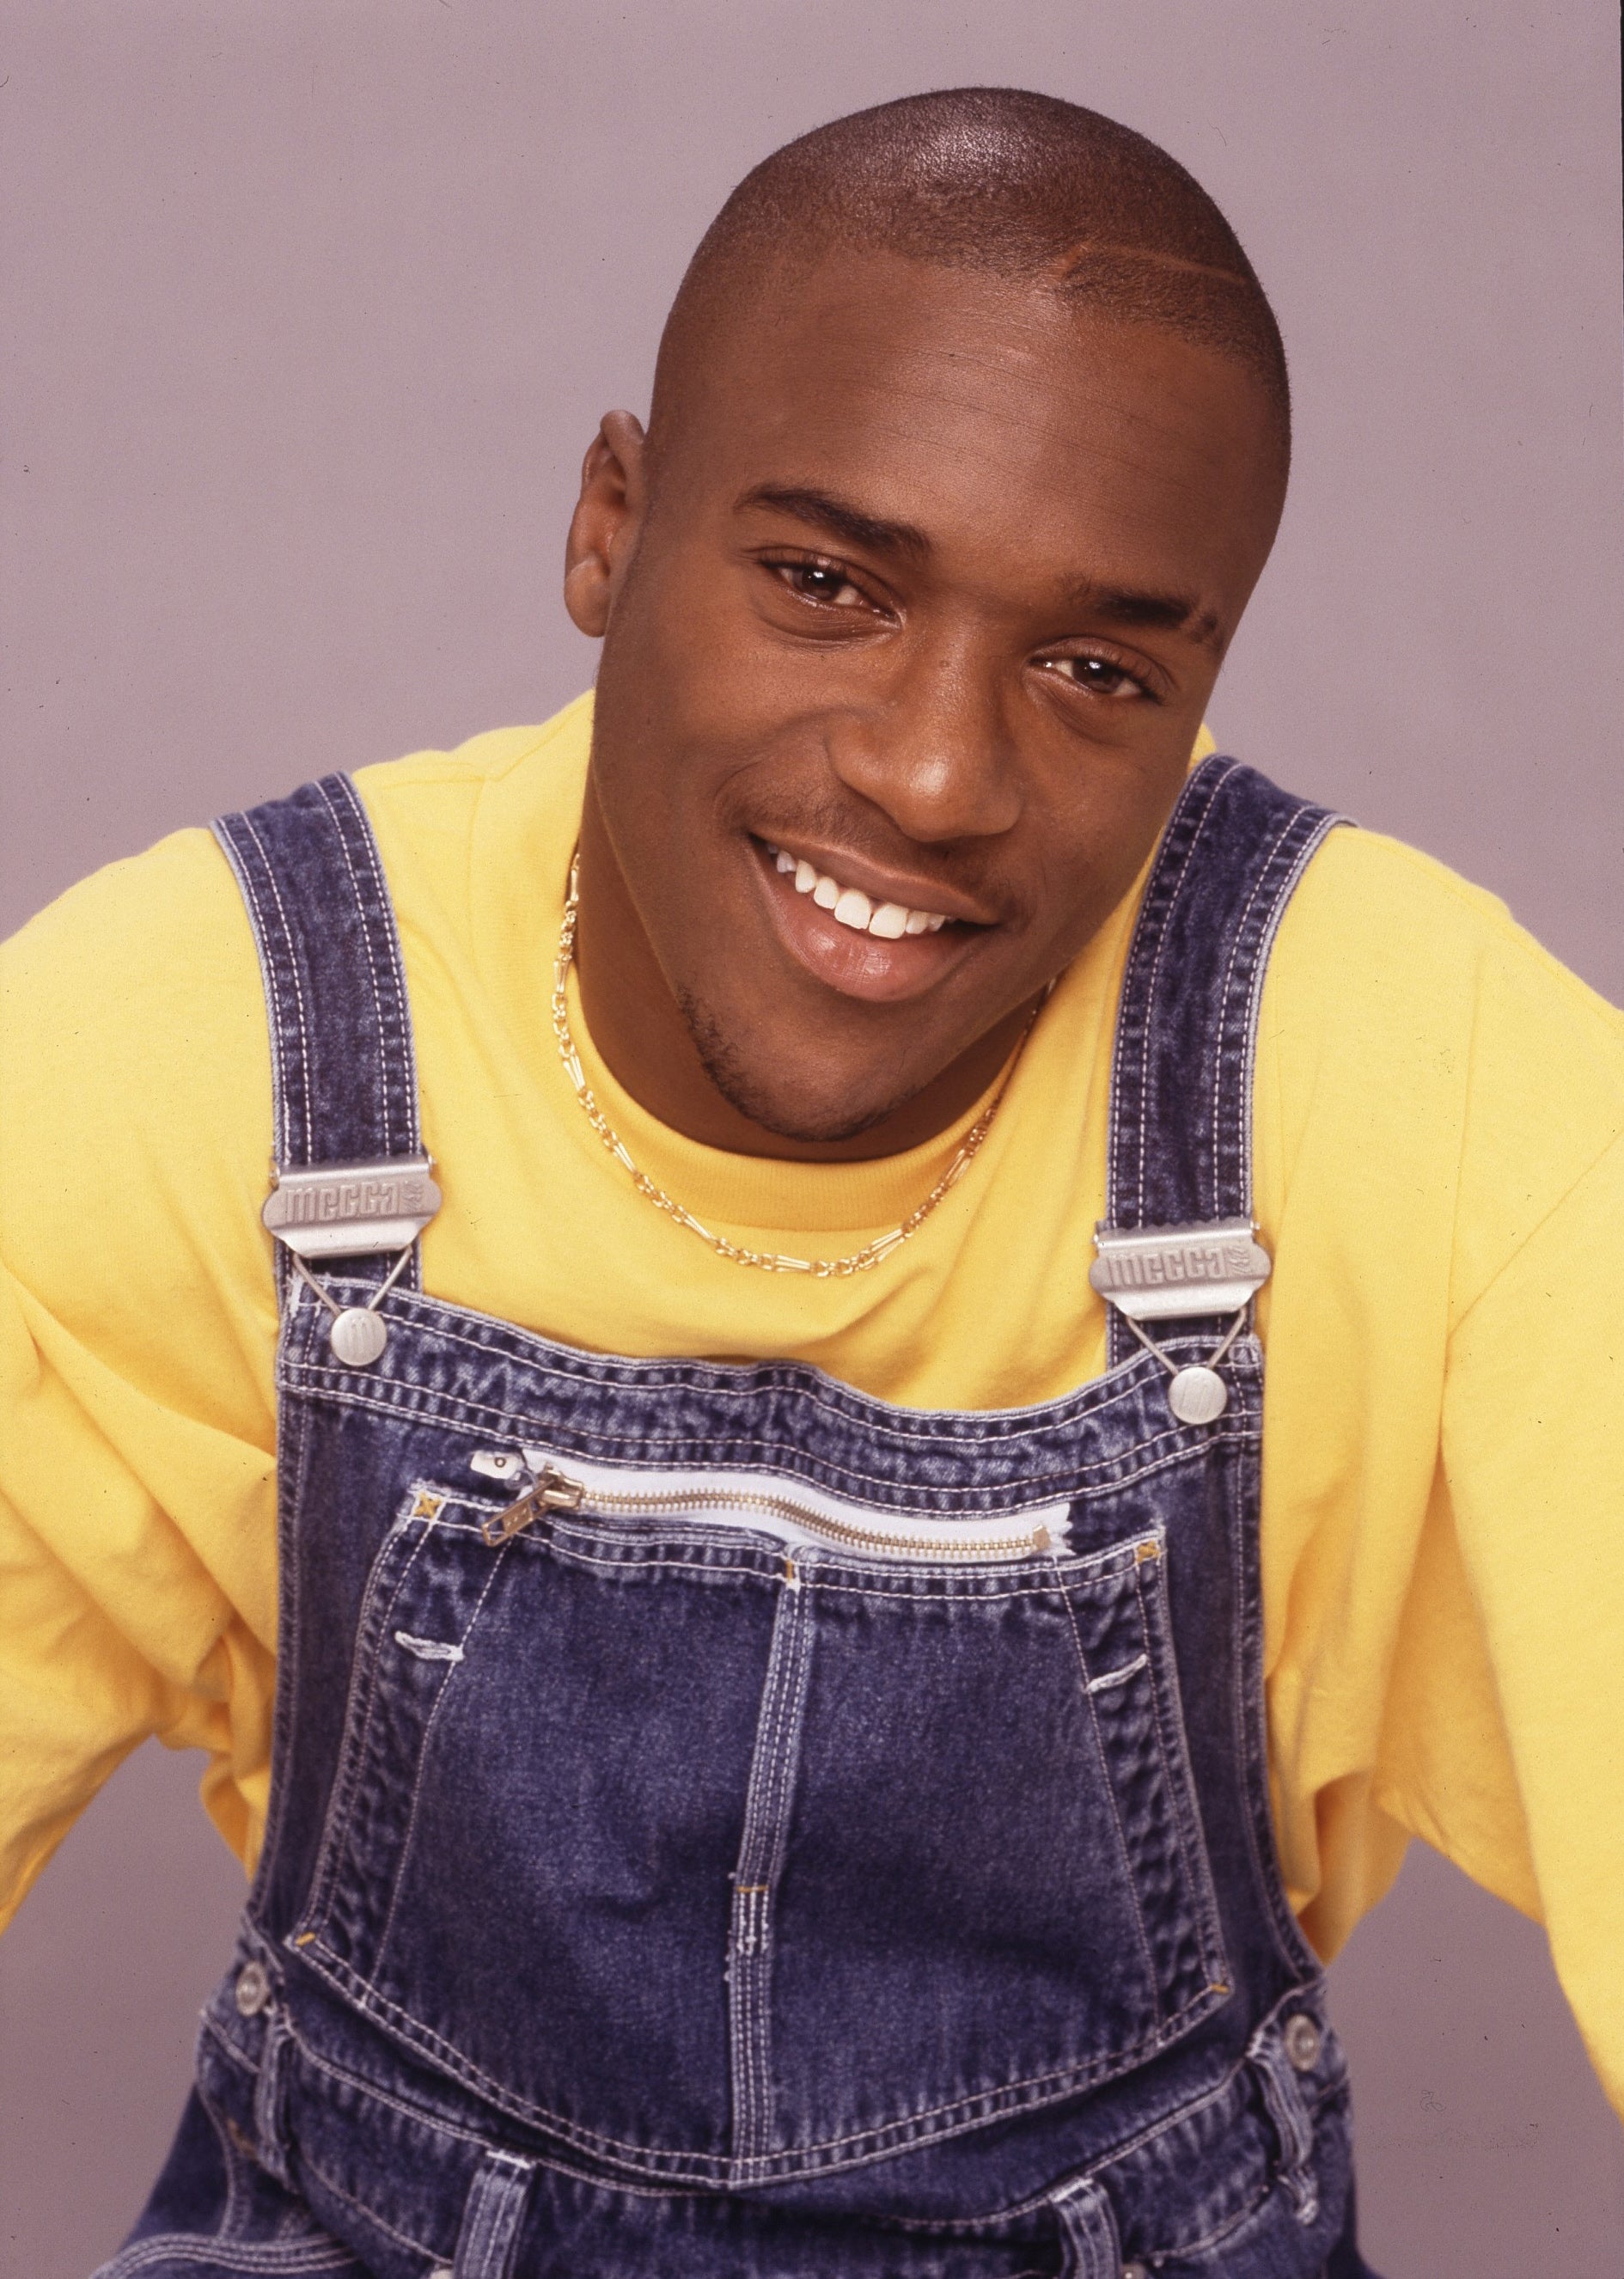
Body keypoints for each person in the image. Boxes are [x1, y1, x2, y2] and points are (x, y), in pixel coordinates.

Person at [1, 84, 1620, 2279]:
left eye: (1095, 669)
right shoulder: (189, 1050)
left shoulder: (1442, 1098)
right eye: (827, 584)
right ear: (611, 526)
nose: (937, 775)